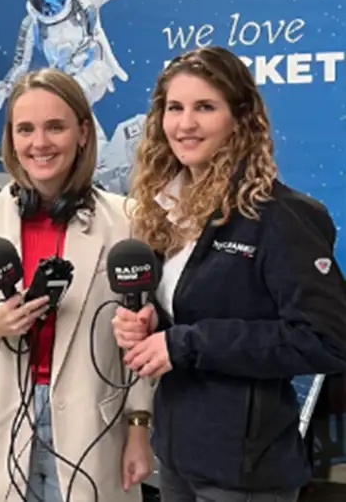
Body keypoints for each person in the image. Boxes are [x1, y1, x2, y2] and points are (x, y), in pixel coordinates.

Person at [112, 45, 346, 502]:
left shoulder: (281, 217)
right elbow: (191, 312)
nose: (185, 124)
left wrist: (185, 343)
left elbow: (329, 339)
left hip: (246, 474)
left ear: (239, 118)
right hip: (178, 459)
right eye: (174, 108)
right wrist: (153, 324)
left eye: (205, 107)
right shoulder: (168, 211)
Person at [0, 67, 156, 502]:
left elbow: (138, 342)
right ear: (11, 139)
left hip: (91, 428)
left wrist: (139, 427)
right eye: (25, 129)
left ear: (82, 132)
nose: (39, 143)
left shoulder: (128, 221)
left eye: (55, 127)